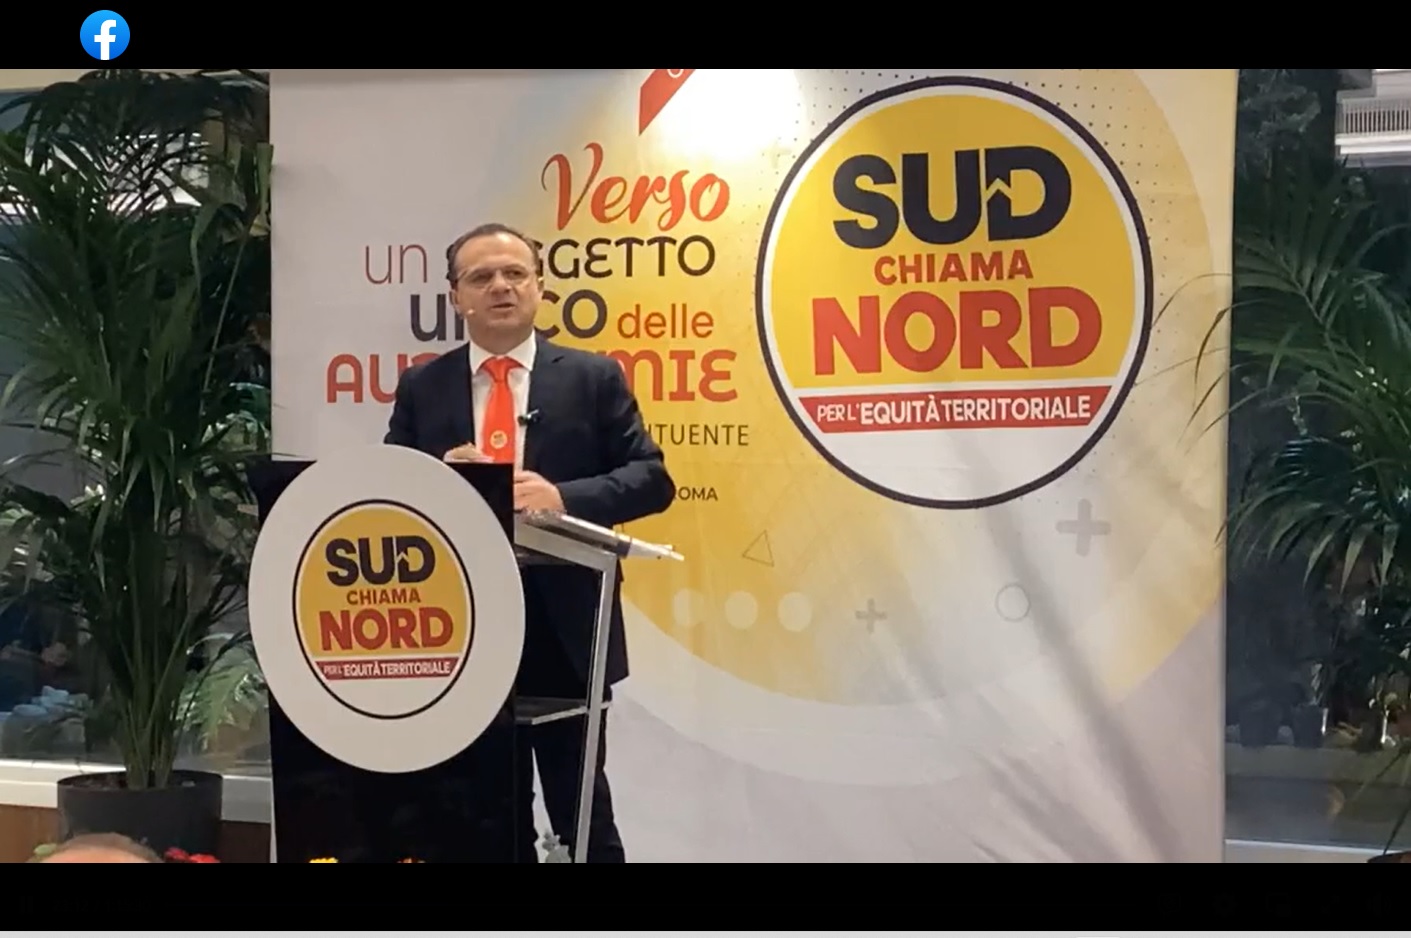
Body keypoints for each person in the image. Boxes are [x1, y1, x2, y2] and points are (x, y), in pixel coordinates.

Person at [384, 222, 675, 862]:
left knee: (582, 810)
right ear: (456, 296)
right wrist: (438, 476)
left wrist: (562, 496)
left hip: (566, 623)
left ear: (540, 287)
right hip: (463, 626)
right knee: (489, 816)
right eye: (482, 277)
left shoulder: (592, 378)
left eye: (515, 274)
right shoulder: (422, 386)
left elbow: (652, 480)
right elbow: (391, 491)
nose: (501, 287)